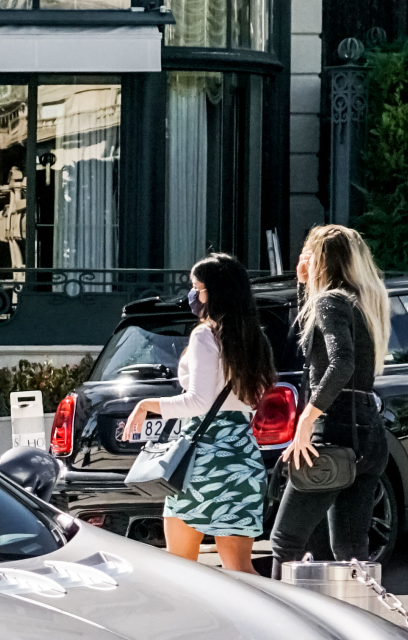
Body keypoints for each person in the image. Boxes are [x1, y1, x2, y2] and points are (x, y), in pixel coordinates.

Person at [120, 252, 273, 573]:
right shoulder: (254, 338)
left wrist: (148, 405)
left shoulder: (206, 335)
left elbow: (198, 402)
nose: (193, 295)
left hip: (202, 465)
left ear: (214, 292)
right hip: (242, 460)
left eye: (197, 288)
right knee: (241, 570)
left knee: (184, 571)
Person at [269, 224, 393, 566]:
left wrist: (306, 421)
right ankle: (358, 617)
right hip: (370, 433)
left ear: (320, 260)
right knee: (351, 553)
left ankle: (284, 621)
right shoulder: (364, 303)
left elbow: (340, 363)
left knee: (285, 542)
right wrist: (301, 286)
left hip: (333, 431)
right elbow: (314, 347)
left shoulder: (330, 301)